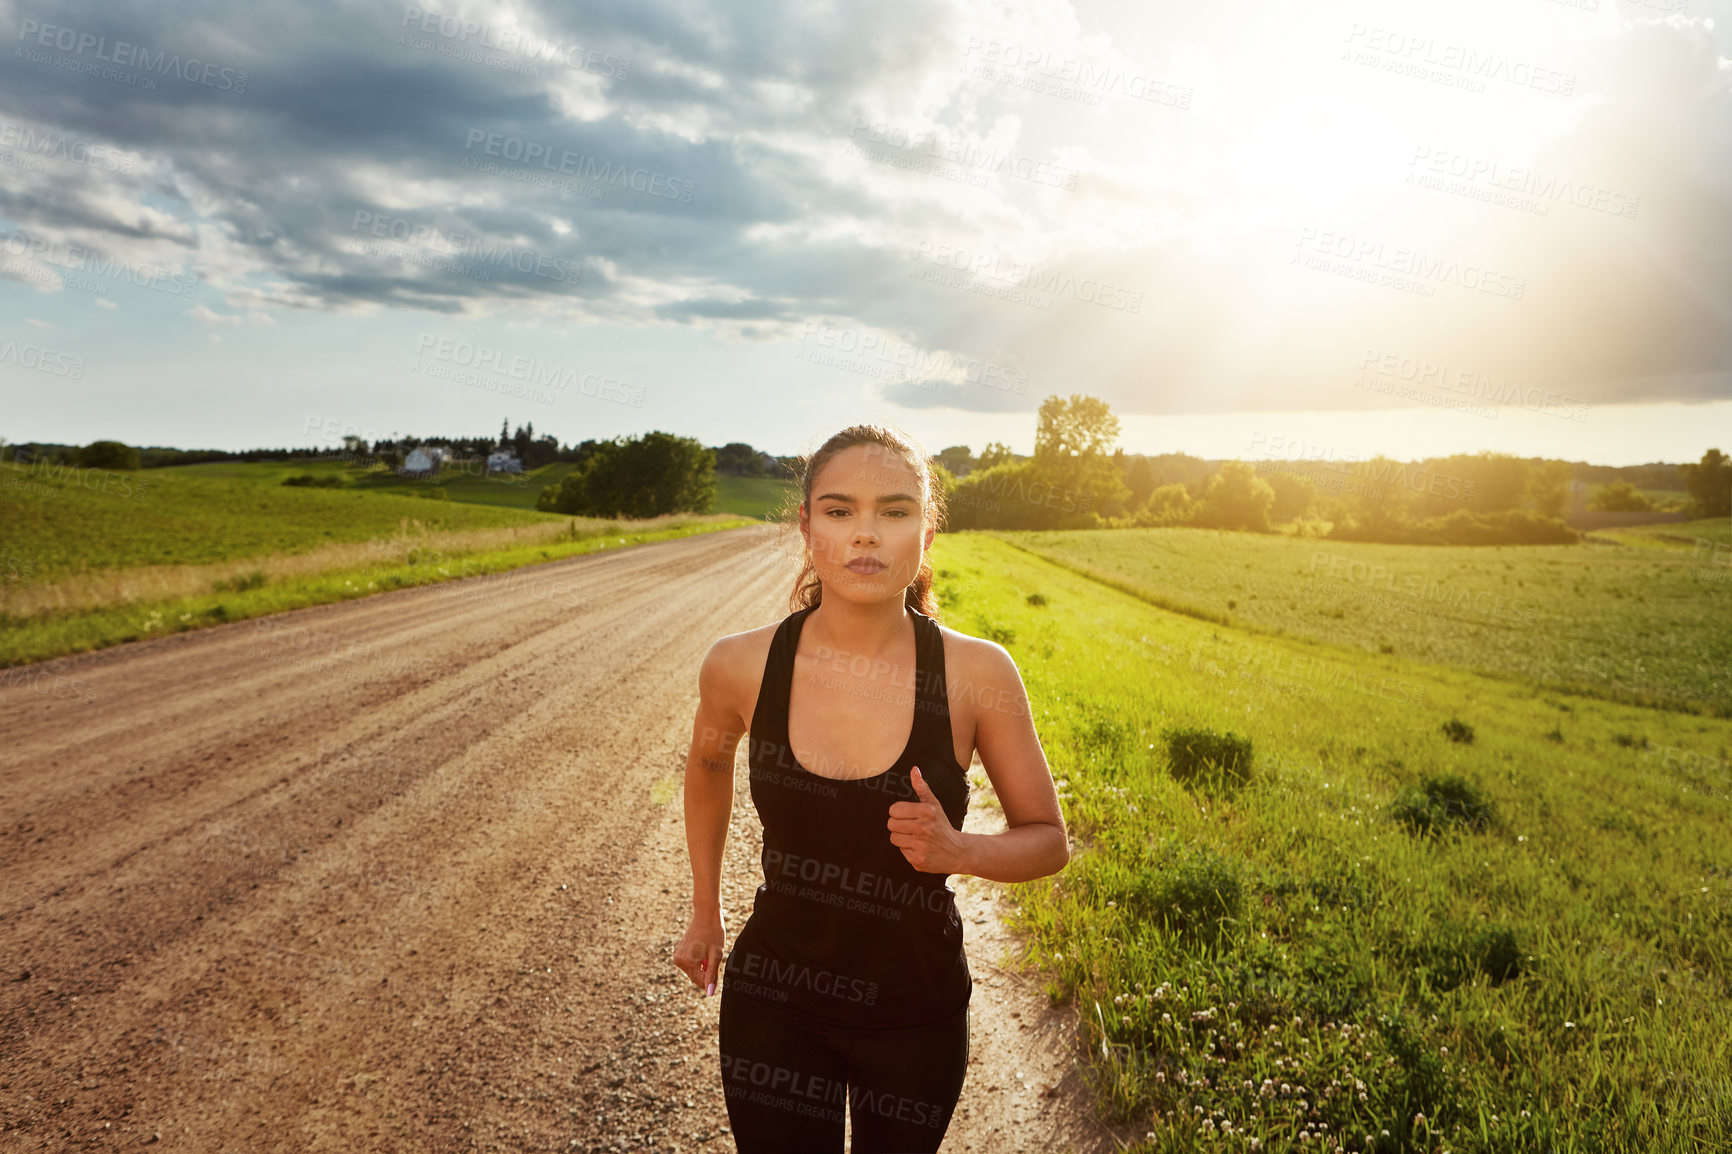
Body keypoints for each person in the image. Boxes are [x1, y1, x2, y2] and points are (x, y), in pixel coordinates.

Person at [673, 423, 1070, 1152]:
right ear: (805, 527)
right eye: (838, 510)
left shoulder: (978, 675)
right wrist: (706, 909)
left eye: (894, 511)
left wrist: (961, 850)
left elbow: (1048, 842)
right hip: (775, 1003)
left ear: (927, 531)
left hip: (916, 1010)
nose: (866, 536)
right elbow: (705, 767)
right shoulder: (739, 665)